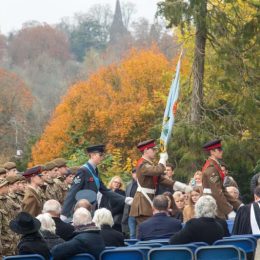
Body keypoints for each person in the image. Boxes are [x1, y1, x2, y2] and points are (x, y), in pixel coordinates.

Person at [62, 144, 131, 218]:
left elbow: (105, 190)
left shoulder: (95, 170)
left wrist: (125, 199)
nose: (102, 157)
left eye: (103, 155)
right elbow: (72, 192)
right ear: (92, 155)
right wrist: (64, 214)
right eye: (100, 155)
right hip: (81, 210)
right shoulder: (83, 170)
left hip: (91, 208)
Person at [130, 139, 188, 227]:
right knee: (147, 229)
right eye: (153, 149)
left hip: (146, 201)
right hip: (143, 202)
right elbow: (158, 170)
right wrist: (162, 159)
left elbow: (161, 179)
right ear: (145, 151)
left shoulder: (148, 164)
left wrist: (182, 187)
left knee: (150, 229)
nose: (155, 151)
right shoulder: (142, 164)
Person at [201, 139, 241, 219]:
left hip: (216, 204)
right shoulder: (211, 168)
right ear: (212, 152)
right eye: (219, 150)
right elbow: (216, 192)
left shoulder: (215, 165)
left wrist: (238, 204)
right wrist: (229, 211)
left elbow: (222, 189)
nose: (221, 151)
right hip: (213, 207)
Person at [122, 168, 138, 238]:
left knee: (140, 232)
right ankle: (133, 248)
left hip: (141, 212)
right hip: (130, 213)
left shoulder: (143, 185)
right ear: (132, 174)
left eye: (137, 173)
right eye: (134, 173)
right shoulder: (129, 185)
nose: (136, 174)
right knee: (132, 233)